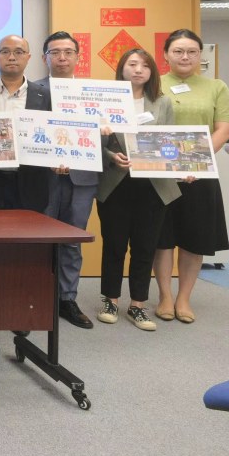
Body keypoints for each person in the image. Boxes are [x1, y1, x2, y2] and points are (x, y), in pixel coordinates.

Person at [94, 49, 180, 331]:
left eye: (145, 65)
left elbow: (170, 141)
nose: (138, 69)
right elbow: (92, 141)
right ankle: (110, 300)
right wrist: (111, 156)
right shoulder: (105, 101)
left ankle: (138, 305)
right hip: (115, 183)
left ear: (152, 71)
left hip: (153, 185)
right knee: (114, 245)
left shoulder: (162, 102)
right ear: (122, 69)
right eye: (132, 64)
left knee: (145, 246)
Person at [154, 28, 229, 324]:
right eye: (178, 51)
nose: (185, 56)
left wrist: (193, 162)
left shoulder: (216, 87)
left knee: (194, 237)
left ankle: (184, 298)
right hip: (160, 173)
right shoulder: (154, 83)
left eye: (191, 51)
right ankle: (164, 295)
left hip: (199, 173)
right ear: (165, 54)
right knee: (162, 238)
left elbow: (223, 129)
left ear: (200, 55)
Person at [41, 30, 97, 329]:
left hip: (82, 176)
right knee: (38, 239)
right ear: (45, 58)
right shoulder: (32, 91)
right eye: (55, 52)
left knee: (73, 240)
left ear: (77, 56)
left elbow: (102, 138)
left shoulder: (93, 93)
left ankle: (67, 299)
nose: (62, 58)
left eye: (68, 52)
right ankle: (36, 295)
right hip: (44, 177)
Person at [0, 34, 51, 212]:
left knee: (28, 230)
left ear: (28, 57)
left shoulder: (45, 95)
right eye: (5, 51)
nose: (11, 57)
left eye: (18, 52)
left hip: (31, 183)